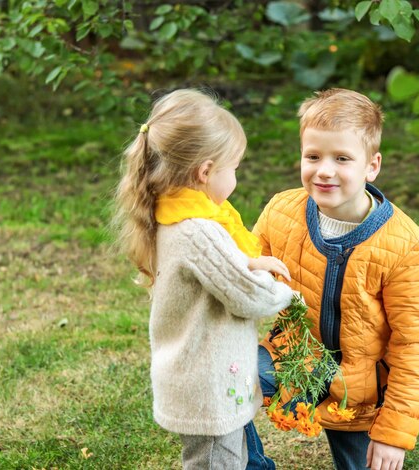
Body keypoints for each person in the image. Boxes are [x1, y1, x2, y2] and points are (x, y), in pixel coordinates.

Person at [246, 88, 419, 470]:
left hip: (360, 388)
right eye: (313, 156)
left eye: (342, 159)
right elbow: (243, 267)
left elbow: (414, 346)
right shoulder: (281, 210)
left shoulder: (409, 247)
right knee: (221, 383)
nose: (324, 170)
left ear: (372, 166)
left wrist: (392, 434)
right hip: (292, 357)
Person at [113, 88, 295, 469]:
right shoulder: (199, 231)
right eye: (235, 168)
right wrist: (284, 290)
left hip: (196, 373)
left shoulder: (170, 215)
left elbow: (222, 274)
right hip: (207, 384)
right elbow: (248, 297)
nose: (237, 177)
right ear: (206, 171)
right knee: (216, 462)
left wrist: (250, 266)